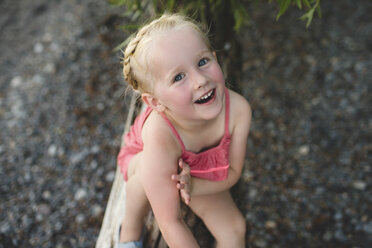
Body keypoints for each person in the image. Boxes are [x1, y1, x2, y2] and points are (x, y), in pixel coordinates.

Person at [116, 13, 252, 248]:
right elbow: (170, 222)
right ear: (156, 103)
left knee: (234, 229)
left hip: (196, 176)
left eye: (202, 62)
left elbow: (233, 172)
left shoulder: (238, 111)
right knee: (143, 176)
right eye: (179, 77)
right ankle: (129, 230)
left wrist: (194, 187)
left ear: (215, 58)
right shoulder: (159, 134)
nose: (200, 80)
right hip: (153, 163)